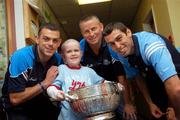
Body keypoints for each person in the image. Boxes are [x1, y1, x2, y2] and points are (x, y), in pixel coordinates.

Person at [103, 22, 180, 119]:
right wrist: (150, 103)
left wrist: (177, 113)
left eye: (119, 38)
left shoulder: (151, 46)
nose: (118, 46)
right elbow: (137, 76)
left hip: (176, 77)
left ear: (128, 32)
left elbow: (176, 88)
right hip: (154, 77)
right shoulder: (116, 52)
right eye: (112, 44)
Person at [79, 14, 137, 120]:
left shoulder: (112, 44)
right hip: (94, 97)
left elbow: (122, 78)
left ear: (101, 27)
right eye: (86, 31)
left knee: (130, 116)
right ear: (82, 34)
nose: (91, 34)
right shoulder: (79, 49)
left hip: (117, 92)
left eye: (93, 29)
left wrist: (128, 103)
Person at [0, 23, 62, 120]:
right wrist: (45, 83)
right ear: (37, 39)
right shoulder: (21, 57)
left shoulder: (58, 59)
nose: (51, 44)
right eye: (46, 39)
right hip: (16, 107)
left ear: (59, 43)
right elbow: (15, 99)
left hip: (39, 102)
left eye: (55, 40)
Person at [47, 39, 105, 120]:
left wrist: (116, 86)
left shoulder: (89, 71)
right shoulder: (62, 69)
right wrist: (56, 93)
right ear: (63, 57)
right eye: (69, 51)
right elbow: (51, 87)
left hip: (88, 117)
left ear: (81, 54)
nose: (73, 53)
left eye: (76, 50)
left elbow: (104, 84)